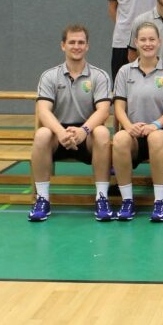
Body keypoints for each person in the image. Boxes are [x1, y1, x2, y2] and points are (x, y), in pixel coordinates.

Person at [28, 24, 113, 222]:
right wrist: (60, 132)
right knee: (41, 134)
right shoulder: (49, 76)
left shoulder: (99, 76)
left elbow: (103, 111)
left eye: (81, 42)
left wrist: (84, 130)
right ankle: (42, 199)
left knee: (102, 133)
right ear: (63, 45)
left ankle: (102, 198)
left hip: (86, 135)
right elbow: (43, 111)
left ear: (87, 46)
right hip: (58, 135)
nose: (77, 46)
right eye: (72, 42)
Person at [110, 22, 163, 222]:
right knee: (120, 139)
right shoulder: (124, 72)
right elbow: (119, 107)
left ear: (159, 42)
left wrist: (155, 125)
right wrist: (128, 127)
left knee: (156, 138)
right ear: (136, 42)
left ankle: (160, 202)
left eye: (152, 39)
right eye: (143, 39)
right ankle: (127, 200)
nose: (147, 43)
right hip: (135, 131)